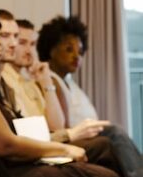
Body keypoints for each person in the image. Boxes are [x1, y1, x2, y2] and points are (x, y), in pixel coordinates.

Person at [0, 0, 119, 177]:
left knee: (101, 150)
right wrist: (63, 148)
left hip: (10, 166)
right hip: (1, 171)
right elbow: (5, 146)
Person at [37, 15, 143, 177]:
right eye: (69, 49)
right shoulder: (51, 81)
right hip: (76, 139)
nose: (76, 56)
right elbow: (61, 127)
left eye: (80, 51)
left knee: (114, 134)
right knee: (114, 133)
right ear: (51, 50)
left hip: (90, 137)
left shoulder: (69, 82)